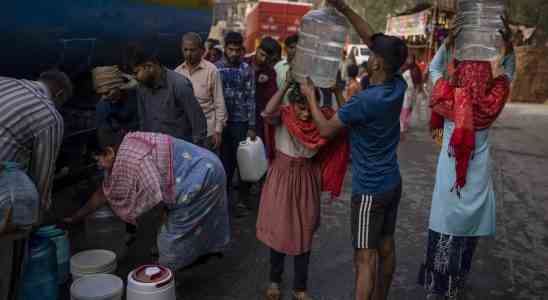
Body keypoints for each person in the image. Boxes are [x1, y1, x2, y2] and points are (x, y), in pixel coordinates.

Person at [307, 1, 408, 299]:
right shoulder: (397, 85)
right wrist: (344, 9)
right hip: (392, 183)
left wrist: (312, 98)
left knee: (364, 260)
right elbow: (371, 38)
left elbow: (326, 130)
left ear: (376, 63)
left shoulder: (364, 102)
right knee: (386, 246)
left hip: (369, 191)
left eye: (372, 53)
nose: (368, 51)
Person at [418, 18, 516, 300]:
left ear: (459, 76)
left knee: (446, 225)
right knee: (468, 229)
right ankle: (457, 281)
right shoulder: (492, 102)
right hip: (478, 178)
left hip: (451, 178)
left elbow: (435, 69)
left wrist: (448, 44)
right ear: (488, 81)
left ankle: (439, 288)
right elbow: (508, 72)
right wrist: (508, 46)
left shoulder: (448, 98)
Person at [64, 129, 231, 271]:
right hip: (204, 165)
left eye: (97, 162)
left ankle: (164, 279)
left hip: (202, 175)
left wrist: (164, 224)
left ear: (108, 152)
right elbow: (102, 194)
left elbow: (154, 193)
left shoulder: (133, 159)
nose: (98, 167)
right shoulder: (123, 149)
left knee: (168, 244)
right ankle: (196, 256)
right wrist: (76, 217)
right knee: (180, 230)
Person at [257, 74, 349, 300]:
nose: (306, 113)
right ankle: (274, 282)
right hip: (281, 177)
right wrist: (287, 84)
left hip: (307, 178)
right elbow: (268, 112)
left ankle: (300, 287)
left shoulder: (322, 121)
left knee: (304, 233)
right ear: (291, 104)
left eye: (310, 107)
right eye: (301, 107)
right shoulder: (283, 116)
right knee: (279, 232)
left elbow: (347, 119)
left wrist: (337, 92)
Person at [0, 69, 72, 300]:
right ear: (59, 94)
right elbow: (43, 177)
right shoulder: (49, 116)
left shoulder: (7, 82)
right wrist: (35, 218)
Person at [127, 45, 207, 146]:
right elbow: (143, 121)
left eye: (136, 72)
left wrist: (194, 152)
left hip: (180, 150)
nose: (135, 78)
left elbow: (198, 123)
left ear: (149, 67)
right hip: (155, 150)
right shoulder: (141, 88)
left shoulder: (179, 85)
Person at [215, 31, 256, 215]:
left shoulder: (247, 70)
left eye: (237, 50)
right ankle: (222, 202)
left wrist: (252, 126)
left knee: (244, 163)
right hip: (223, 123)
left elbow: (251, 98)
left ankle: (243, 201)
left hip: (241, 122)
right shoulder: (216, 69)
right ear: (225, 49)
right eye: (230, 49)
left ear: (242, 50)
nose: (233, 53)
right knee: (225, 163)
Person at [175, 32, 227, 152]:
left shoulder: (212, 71)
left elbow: (219, 103)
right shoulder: (177, 73)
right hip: (185, 133)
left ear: (202, 50)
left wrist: (218, 131)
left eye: (192, 50)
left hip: (207, 134)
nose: (188, 54)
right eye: (185, 50)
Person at [244, 37, 279, 145]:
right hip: (239, 118)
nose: (263, 60)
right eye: (262, 55)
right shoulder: (243, 64)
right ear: (257, 49)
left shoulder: (270, 72)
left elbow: (271, 97)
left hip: (258, 122)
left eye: (267, 58)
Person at [92, 66, 140, 134]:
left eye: (107, 93)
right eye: (100, 94)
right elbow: (104, 134)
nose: (103, 97)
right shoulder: (102, 106)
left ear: (119, 87)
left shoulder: (137, 97)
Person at [399, 54, 423, 136]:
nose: (409, 60)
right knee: (405, 108)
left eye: (411, 58)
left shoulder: (416, 69)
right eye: (408, 58)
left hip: (414, 92)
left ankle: (406, 124)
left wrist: (420, 89)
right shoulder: (404, 68)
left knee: (410, 108)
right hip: (406, 92)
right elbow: (400, 80)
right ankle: (402, 126)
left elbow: (419, 80)